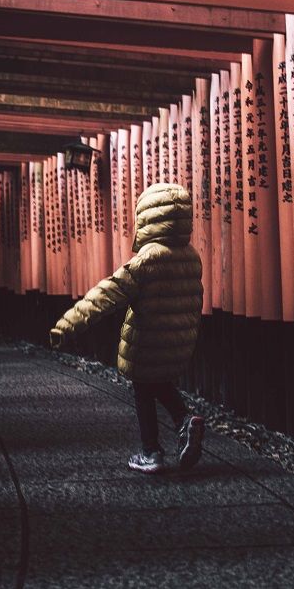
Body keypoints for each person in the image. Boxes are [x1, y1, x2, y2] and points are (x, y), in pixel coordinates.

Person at [50, 182, 205, 473]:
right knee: (159, 383)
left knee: (143, 390)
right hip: (179, 339)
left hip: (146, 340)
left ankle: (151, 452)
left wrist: (67, 325)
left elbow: (107, 293)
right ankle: (185, 421)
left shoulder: (148, 259)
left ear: (147, 216)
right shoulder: (190, 255)